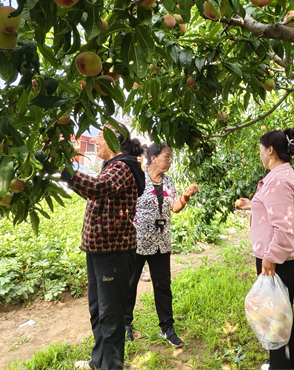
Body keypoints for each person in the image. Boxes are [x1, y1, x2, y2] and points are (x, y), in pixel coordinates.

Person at [63, 124, 145, 370]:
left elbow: (98, 188)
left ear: (113, 139)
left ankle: (112, 366)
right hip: (99, 251)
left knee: (110, 318)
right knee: (98, 312)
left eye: (100, 136)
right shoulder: (111, 167)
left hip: (113, 253)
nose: (97, 141)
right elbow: (94, 193)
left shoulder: (123, 167)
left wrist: (63, 171)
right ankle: (98, 361)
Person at [235, 128, 294, 370]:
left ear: (271, 150)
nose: (260, 154)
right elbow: (273, 212)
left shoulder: (280, 180)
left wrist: (270, 258)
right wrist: (251, 205)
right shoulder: (280, 176)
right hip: (278, 259)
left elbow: (284, 230)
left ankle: (281, 366)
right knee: (281, 317)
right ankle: (283, 366)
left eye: (260, 149)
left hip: (278, 261)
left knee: (277, 321)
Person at [124, 143, 199, 347]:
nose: (170, 160)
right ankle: (125, 326)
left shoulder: (168, 181)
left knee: (163, 286)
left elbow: (174, 208)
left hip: (161, 242)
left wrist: (184, 197)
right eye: (167, 156)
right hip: (138, 241)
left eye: (171, 157)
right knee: (130, 284)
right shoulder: (137, 178)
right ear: (153, 158)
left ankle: (167, 328)